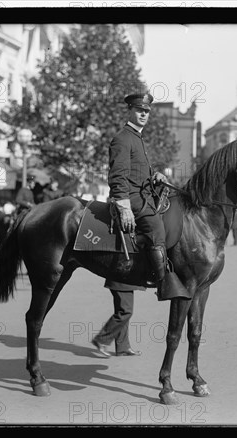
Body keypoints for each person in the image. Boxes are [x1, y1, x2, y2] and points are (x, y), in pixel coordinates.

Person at [108, 92, 170, 297]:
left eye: (146, 111)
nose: (143, 114)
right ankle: (162, 283)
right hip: (133, 198)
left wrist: (155, 176)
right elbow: (118, 176)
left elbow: (138, 172)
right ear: (130, 110)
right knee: (157, 230)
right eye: (139, 110)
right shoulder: (123, 139)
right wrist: (124, 208)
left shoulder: (138, 138)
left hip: (144, 195)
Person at [91, 280, 145, 358]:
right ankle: (101, 339)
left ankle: (123, 348)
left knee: (123, 311)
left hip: (125, 280)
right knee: (125, 311)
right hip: (121, 280)